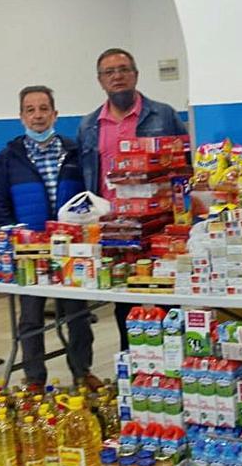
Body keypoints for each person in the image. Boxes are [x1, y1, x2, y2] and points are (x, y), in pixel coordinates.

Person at [77, 48, 188, 351]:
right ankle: (133, 365)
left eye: (124, 69)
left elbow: (184, 164)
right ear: (100, 81)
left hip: (160, 226)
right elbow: (88, 180)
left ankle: (171, 364)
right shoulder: (89, 126)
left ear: (136, 75)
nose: (117, 76)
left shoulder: (163, 114)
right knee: (124, 300)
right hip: (114, 230)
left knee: (166, 296)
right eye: (109, 72)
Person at [0, 85, 95, 389]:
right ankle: (34, 377)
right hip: (28, 253)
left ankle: (82, 371)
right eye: (30, 109)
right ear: (21, 116)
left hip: (71, 250)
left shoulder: (74, 153)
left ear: (55, 114)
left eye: (44, 108)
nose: (38, 115)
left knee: (78, 315)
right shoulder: (8, 158)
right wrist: (14, 235)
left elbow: (90, 195)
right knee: (31, 319)